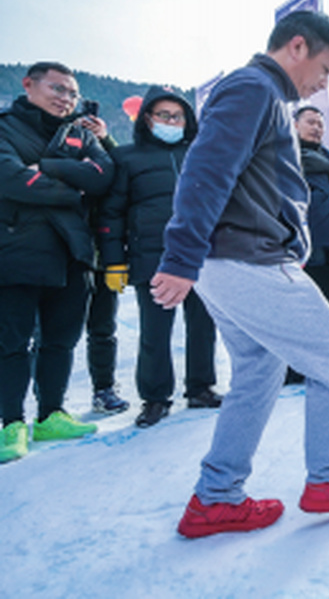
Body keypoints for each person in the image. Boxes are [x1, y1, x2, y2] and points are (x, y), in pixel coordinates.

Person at [151, 10, 329, 538]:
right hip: (243, 257)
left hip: (238, 257)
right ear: (298, 47)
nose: (323, 84)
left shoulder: (266, 97)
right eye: (325, 69)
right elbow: (205, 170)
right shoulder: (253, 88)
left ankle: (216, 498)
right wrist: (181, 255)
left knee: (258, 370)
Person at [0, 62, 114, 463]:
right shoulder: (5, 126)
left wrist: (47, 170)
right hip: (16, 250)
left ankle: (51, 414)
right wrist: (72, 189)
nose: (65, 98)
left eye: (71, 92)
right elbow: (9, 179)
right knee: (12, 343)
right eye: (57, 88)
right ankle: (11, 423)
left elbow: (102, 175)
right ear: (28, 85)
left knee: (61, 340)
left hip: (73, 252)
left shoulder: (81, 133)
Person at [99, 86, 222, 428]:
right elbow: (111, 213)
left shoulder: (200, 155)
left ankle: (200, 387)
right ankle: (154, 398)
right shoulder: (126, 157)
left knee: (203, 326)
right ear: (148, 119)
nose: (171, 121)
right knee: (155, 333)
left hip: (200, 256)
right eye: (163, 115)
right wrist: (114, 260)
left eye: (178, 116)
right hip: (152, 257)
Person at [284, 105, 329, 386]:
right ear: (294, 124)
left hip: (327, 251)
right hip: (293, 250)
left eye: (320, 123)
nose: (316, 127)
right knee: (295, 314)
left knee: (327, 311)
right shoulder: (283, 153)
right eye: (310, 122)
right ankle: (293, 368)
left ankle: (326, 365)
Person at [81, 112, 131, 416]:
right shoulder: (52, 145)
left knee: (102, 328)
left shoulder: (104, 152)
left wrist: (105, 138)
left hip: (100, 254)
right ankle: (40, 404)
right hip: (60, 253)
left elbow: (125, 169)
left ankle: (103, 389)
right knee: (46, 333)